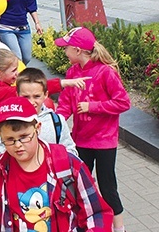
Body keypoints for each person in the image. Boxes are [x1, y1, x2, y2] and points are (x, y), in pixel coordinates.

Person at [0, 97, 114, 232]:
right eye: (9, 139)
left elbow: (96, 213)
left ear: (37, 128)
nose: (18, 145)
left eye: (24, 137)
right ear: (0, 135)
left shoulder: (68, 164)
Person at [55, 27, 131, 232]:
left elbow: (123, 103)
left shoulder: (105, 72)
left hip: (104, 141)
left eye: (66, 48)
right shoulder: (72, 73)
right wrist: (56, 122)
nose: (64, 52)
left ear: (78, 50)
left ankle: (119, 227)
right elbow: (65, 104)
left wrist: (93, 107)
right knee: (80, 186)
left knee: (107, 187)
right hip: (80, 140)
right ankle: (85, 224)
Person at [0, 67, 78, 161]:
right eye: (25, 97)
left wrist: (52, 160)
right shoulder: (8, 121)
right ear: (17, 94)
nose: (31, 102)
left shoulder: (56, 121)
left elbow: (71, 153)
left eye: (36, 96)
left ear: (46, 95)